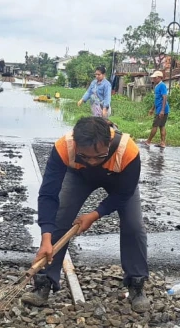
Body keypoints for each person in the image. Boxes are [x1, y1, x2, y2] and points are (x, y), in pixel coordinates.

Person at [22, 117, 150, 313]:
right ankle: (43, 283)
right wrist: (46, 237)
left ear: (108, 143)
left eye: (98, 156)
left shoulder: (128, 151)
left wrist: (95, 214)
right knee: (60, 218)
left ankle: (136, 284)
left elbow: (124, 194)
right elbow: (48, 194)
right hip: (78, 177)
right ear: (75, 144)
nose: (92, 162)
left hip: (118, 179)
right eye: (85, 156)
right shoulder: (64, 147)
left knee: (134, 226)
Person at [142, 71, 169, 148]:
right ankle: (162, 143)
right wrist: (152, 109)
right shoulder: (157, 86)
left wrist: (162, 110)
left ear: (158, 78)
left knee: (155, 125)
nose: (153, 79)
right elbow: (157, 99)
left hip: (162, 109)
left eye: (154, 78)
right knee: (162, 126)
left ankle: (148, 141)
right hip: (159, 109)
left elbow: (164, 97)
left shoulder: (162, 85)